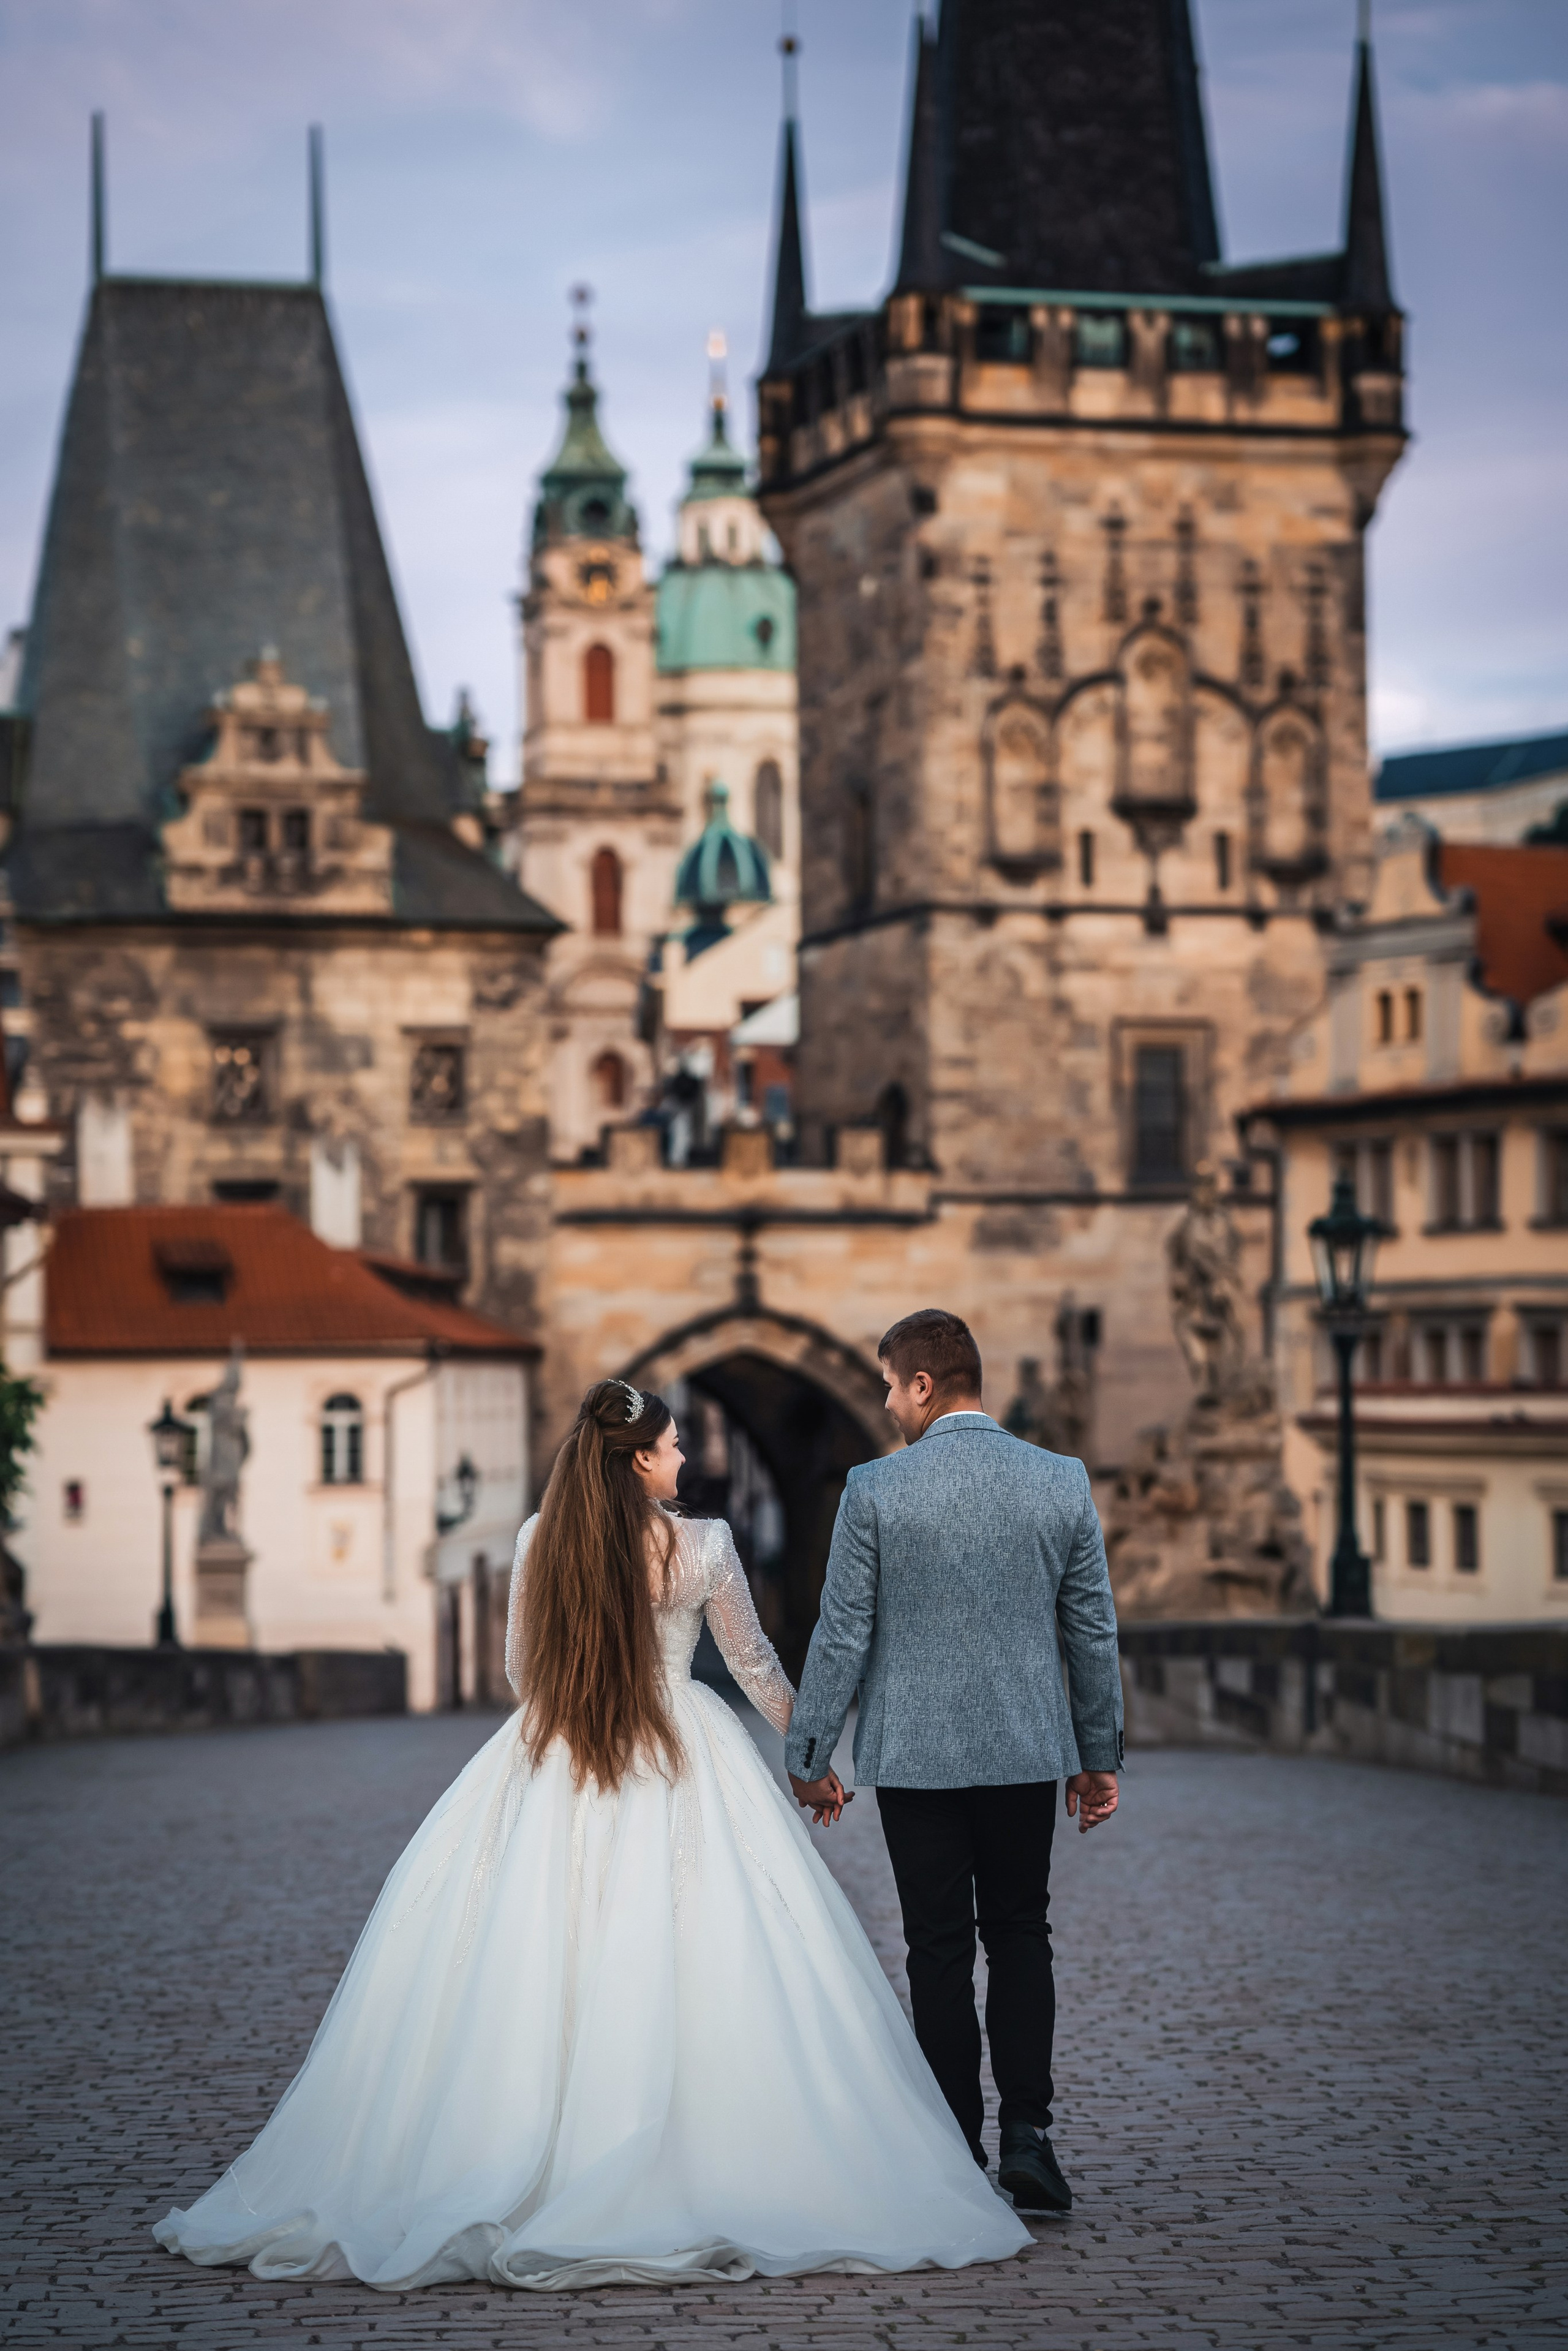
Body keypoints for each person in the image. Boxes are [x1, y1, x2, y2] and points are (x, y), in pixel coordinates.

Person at [154, 1379, 1028, 2291]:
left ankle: (520, 2147)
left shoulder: (542, 1538)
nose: (687, 1458)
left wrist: (581, 1690)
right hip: (683, 1744)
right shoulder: (704, 1543)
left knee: (531, 1943)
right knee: (715, 1942)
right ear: (642, 1458)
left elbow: (519, 1670)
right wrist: (808, 1755)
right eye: (677, 1445)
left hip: (558, 1745)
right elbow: (754, 1662)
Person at [786, 1309, 1123, 2215]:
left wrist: (809, 1750)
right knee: (1020, 1932)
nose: (889, 1401)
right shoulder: (1059, 1480)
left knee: (937, 1945)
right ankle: (1030, 2137)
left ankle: (949, 2143)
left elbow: (843, 1629)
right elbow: (1091, 1628)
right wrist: (1099, 1755)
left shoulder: (876, 1489)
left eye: (891, 1384)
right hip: (1022, 1749)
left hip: (918, 1756)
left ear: (926, 1384)